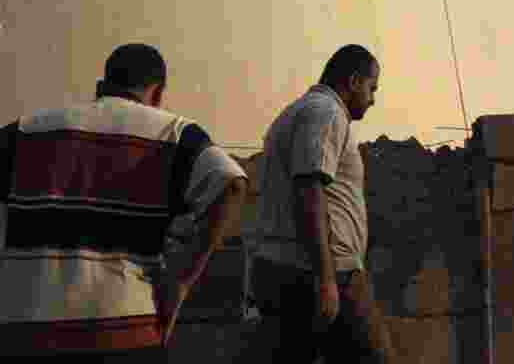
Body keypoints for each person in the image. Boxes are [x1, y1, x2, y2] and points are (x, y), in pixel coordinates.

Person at [0, 43, 249, 361]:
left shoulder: (25, 131)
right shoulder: (172, 133)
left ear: (101, 86)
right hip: (126, 331)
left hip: (27, 331)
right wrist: (180, 283)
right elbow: (232, 184)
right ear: (158, 92)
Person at [250, 44, 394, 363]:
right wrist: (326, 278)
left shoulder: (297, 112)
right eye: (372, 88)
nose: (372, 99)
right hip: (320, 271)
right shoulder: (326, 113)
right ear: (354, 81)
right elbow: (309, 191)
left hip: (289, 268)